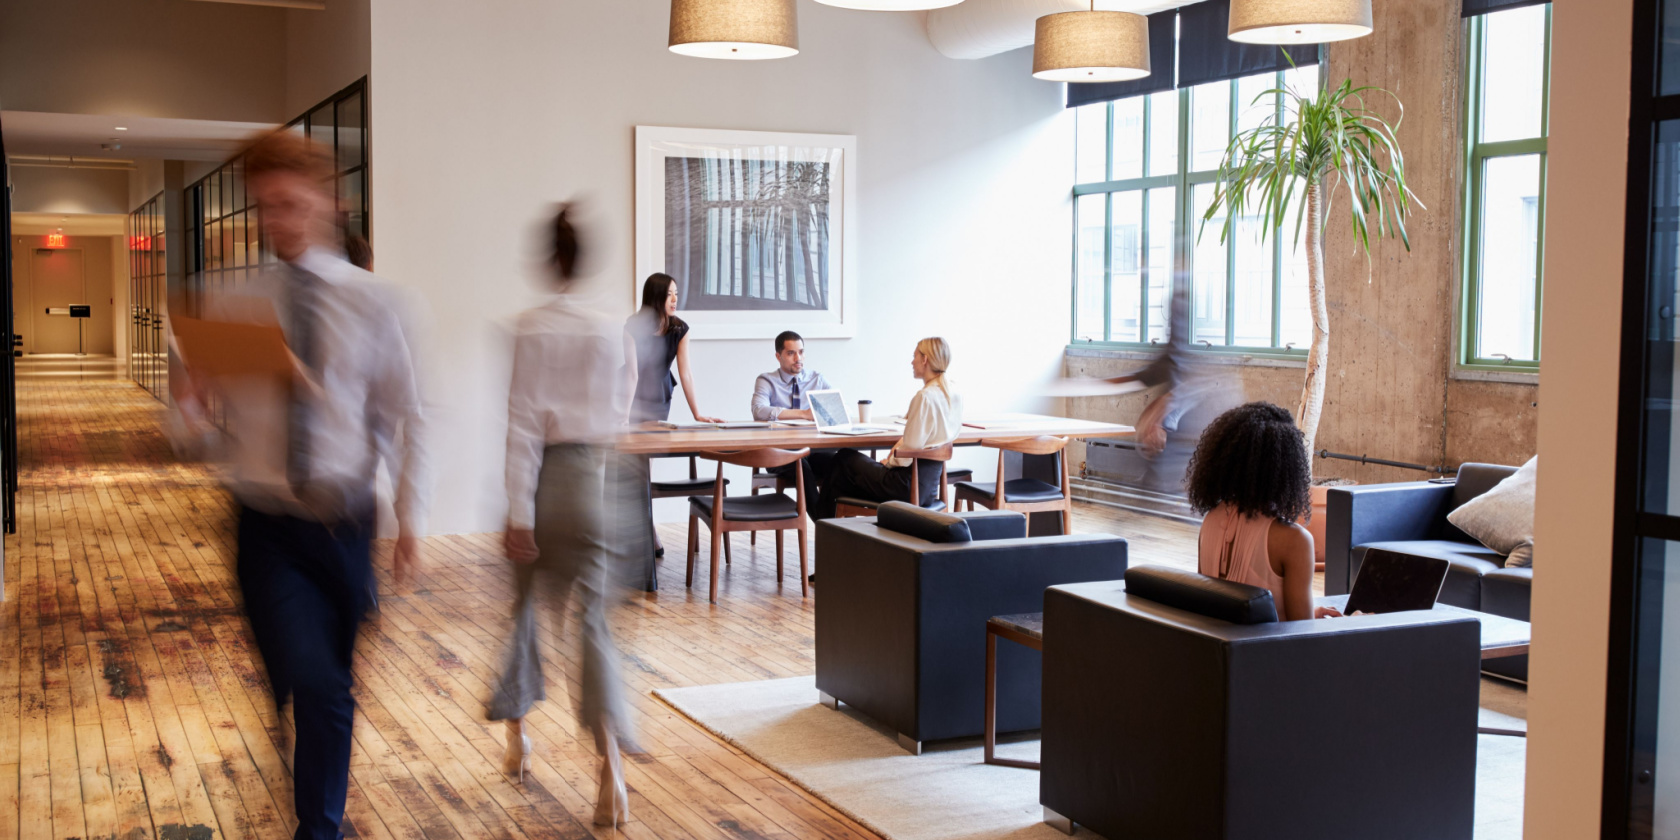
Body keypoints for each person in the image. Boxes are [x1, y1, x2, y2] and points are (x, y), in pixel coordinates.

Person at [171, 129, 430, 840]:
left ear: (328, 201)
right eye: (264, 208)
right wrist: (189, 400)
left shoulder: (379, 303)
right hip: (266, 524)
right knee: (316, 685)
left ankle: (315, 786)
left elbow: (404, 416)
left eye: (288, 204)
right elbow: (189, 430)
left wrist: (411, 519)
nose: (275, 221)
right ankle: (320, 828)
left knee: (326, 689)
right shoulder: (234, 303)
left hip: (346, 525)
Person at [489, 205, 632, 827]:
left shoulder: (528, 328)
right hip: (599, 483)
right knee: (593, 624)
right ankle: (611, 773)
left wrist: (518, 511)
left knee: (524, 612)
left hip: (548, 482)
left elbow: (522, 424)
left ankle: (518, 738)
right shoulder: (611, 332)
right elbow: (620, 414)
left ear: (549, 260)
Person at [1185, 401, 1342, 622]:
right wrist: (1355, 621)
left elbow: (1225, 611)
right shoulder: (1294, 541)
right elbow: (1303, 634)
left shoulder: (1210, 521)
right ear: (1288, 469)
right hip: (1269, 655)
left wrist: (1311, 613)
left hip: (1222, 653)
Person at [814, 337, 962, 523]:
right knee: (843, 477)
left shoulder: (925, 397)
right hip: (928, 488)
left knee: (844, 458)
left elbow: (908, 451)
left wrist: (889, 461)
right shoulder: (953, 393)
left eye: (914, 356)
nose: (912, 361)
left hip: (905, 487)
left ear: (925, 360)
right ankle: (833, 527)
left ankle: (822, 522)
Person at [626, 273, 720, 424]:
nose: (675, 299)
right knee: (630, 440)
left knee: (655, 441)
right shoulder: (633, 326)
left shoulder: (680, 329)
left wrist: (697, 415)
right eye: (669, 295)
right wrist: (624, 416)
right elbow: (631, 374)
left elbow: (686, 374)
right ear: (655, 297)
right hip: (630, 393)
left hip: (660, 393)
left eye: (676, 294)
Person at [751, 329, 835, 490]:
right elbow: (758, 410)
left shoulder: (816, 379)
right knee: (800, 465)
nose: (798, 359)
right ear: (778, 356)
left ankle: (828, 514)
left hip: (813, 450)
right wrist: (803, 414)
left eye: (801, 352)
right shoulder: (766, 380)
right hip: (779, 452)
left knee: (841, 462)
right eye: (791, 353)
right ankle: (821, 514)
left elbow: (840, 409)